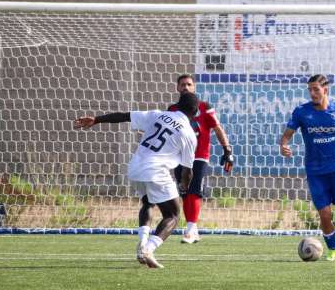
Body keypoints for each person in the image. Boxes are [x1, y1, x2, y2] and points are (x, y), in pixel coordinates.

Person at [74, 92, 199, 269]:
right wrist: (184, 186)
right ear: (195, 113)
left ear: (177, 105)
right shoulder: (188, 134)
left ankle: (142, 242)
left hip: (135, 168)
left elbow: (125, 116)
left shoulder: (159, 114)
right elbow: (187, 170)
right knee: (172, 215)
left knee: (148, 203)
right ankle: (148, 249)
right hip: (155, 171)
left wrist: (97, 119)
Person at [279, 74, 335, 261]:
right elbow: (287, 134)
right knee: (325, 214)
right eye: (310, 90)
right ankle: (333, 249)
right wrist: (284, 145)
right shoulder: (301, 112)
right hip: (316, 171)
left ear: (325, 90)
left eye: (316, 89)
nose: (312, 93)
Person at [168, 73, 233, 244]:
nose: (186, 87)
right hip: (179, 156)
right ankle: (193, 229)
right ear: (177, 88)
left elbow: (217, 128)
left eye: (189, 84)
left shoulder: (205, 107)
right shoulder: (172, 110)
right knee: (184, 191)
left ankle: (189, 230)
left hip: (200, 156)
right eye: (182, 85)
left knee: (195, 190)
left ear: (194, 87)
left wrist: (227, 150)